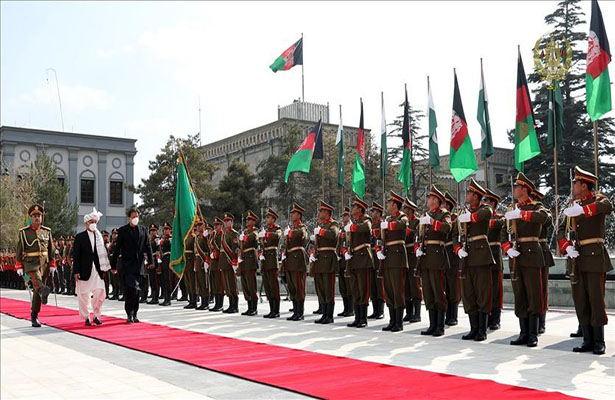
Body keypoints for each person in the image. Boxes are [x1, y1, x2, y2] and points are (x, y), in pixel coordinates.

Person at [558, 166, 612, 355]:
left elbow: (608, 207)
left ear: (584, 185)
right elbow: (560, 231)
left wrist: (583, 210)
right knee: (580, 299)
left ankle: (599, 340)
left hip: (594, 256)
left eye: (576, 183)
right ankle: (587, 340)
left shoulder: (598, 199)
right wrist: (566, 247)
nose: (573, 186)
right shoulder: (572, 204)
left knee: (596, 299)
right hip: (577, 257)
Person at [503, 172, 548, 347]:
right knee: (520, 294)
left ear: (524, 189)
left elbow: (545, 219)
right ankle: (523, 332)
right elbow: (502, 233)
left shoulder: (536, 207)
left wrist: (523, 215)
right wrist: (507, 248)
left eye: (516, 187)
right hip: (517, 255)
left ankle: (533, 333)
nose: (513, 190)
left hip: (532, 254)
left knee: (533, 294)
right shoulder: (511, 209)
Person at [453, 179, 495, 341]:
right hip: (467, 256)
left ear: (477, 196)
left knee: (482, 292)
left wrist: (469, 217)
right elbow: (455, 235)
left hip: (481, 255)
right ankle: (473, 328)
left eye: (470, 193)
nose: (467, 195)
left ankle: (482, 330)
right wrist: (458, 250)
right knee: (469, 293)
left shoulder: (484, 209)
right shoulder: (464, 212)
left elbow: (486, 214)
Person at [417, 186, 452, 337]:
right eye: (428, 198)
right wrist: (418, 247)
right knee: (428, 291)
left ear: (437, 200)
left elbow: (447, 228)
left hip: (437, 256)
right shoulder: (427, 215)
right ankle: (432, 324)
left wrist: (432, 222)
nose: (428, 200)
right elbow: (421, 235)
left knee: (438, 290)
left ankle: (440, 325)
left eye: (431, 198)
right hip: (425, 257)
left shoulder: (443, 214)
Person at [110, 207, 154, 323]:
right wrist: (113, 265)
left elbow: (148, 247)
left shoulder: (143, 230)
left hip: (139, 265)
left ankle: (135, 313)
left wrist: (151, 261)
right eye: (133, 216)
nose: (135, 218)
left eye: (137, 216)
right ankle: (129, 313)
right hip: (127, 265)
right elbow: (117, 248)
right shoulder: (123, 230)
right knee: (131, 289)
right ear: (129, 218)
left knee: (137, 291)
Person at [15, 204, 55, 327]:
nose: (37, 218)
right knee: (38, 282)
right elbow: (19, 249)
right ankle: (44, 291)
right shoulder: (24, 232)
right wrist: (19, 265)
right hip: (30, 264)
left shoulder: (47, 231)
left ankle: (34, 315)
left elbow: (51, 249)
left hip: (44, 264)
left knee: (38, 291)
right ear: (30, 218)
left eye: (39, 216)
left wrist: (53, 263)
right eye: (34, 216)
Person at [73, 208, 111, 326]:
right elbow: (76, 256)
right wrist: (76, 271)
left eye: (95, 222)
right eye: (91, 222)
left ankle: (96, 315)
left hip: (97, 270)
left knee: (99, 292)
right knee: (84, 295)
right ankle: (86, 317)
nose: (93, 224)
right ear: (86, 223)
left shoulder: (99, 237)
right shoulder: (80, 237)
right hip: (84, 270)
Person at [378, 191, 409, 332]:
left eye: (390, 203)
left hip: (397, 258)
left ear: (395, 205)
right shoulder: (387, 219)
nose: (387, 205)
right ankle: (392, 320)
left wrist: (388, 225)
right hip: (388, 257)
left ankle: (399, 321)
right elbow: (379, 237)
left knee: (397, 290)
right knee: (389, 290)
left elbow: (402, 225)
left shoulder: (403, 217)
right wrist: (378, 249)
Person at [344, 197, 374, 328]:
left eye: (354, 207)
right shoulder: (354, 222)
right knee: (355, 289)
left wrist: (353, 227)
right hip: (354, 258)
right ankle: (357, 317)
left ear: (360, 209)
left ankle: (363, 318)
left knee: (363, 289)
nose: (352, 209)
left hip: (363, 258)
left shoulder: (365, 220)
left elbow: (366, 227)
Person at [530, 189, 555, 334]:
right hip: (528, 252)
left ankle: (542, 321)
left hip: (541, 252)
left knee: (542, 288)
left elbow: (548, 220)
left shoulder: (543, 212)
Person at [311, 201, 340, 324]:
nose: (319, 213)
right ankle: (324, 313)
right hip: (320, 260)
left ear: (327, 213)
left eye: (321, 211)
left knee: (328, 289)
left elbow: (333, 234)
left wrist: (321, 232)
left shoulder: (332, 224)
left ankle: (329, 315)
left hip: (328, 259)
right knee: (322, 288)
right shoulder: (321, 225)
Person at [482, 188, 506, 331]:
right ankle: (486, 317)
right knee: (484, 289)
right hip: (481, 256)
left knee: (496, 289)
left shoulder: (499, 217)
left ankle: (495, 319)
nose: (483, 203)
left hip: (495, 256)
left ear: (492, 203)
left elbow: (500, 225)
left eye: (486, 201)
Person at [284, 203, 309, 321]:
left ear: (299, 215)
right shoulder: (292, 228)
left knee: (299, 286)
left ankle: (300, 312)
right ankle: (295, 310)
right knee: (292, 286)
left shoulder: (301, 227)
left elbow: (302, 235)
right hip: (290, 260)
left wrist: (291, 233)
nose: (292, 215)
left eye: (294, 213)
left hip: (298, 260)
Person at [259, 209, 282, 318]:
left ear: (273, 219)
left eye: (268, 217)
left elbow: (277, 236)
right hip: (265, 260)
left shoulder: (276, 229)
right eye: (266, 217)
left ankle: (276, 310)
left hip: (272, 260)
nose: (267, 219)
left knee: (274, 286)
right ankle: (271, 309)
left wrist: (266, 234)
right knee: (268, 286)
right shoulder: (266, 229)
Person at [402, 197, 422, 323]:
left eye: (406, 208)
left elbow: (418, 236)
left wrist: (409, 231)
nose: (404, 210)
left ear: (411, 210)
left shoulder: (417, 222)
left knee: (415, 284)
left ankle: (417, 313)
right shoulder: (404, 221)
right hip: (404, 255)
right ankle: (409, 312)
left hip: (413, 255)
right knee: (406, 285)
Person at [443, 192, 461, 327]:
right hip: (441, 254)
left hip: (451, 254)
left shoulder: (455, 219)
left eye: (442, 203)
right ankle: (446, 314)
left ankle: (453, 315)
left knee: (452, 286)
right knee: (443, 285)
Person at [239, 211, 260, 316]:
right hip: (244, 260)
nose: (247, 221)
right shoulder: (245, 232)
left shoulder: (254, 231)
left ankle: (254, 308)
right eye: (247, 220)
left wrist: (245, 237)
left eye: (249, 220)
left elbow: (254, 237)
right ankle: (249, 306)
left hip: (251, 260)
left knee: (251, 285)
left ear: (254, 222)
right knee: (245, 285)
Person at [368, 202, 386, 320]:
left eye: (374, 211)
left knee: (380, 285)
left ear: (379, 213)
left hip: (379, 257)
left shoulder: (381, 224)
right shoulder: (372, 225)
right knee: (372, 285)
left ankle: (380, 310)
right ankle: (374, 310)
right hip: (371, 257)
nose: (372, 213)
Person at [220, 213, 240, 313]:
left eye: (228, 221)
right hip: (224, 262)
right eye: (225, 221)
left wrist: (235, 261)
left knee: (232, 284)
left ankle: (235, 306)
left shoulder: (233, 234)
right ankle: (230, 304)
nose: (226, 223)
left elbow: (236, 248)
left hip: (230, 262)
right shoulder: (224, 234)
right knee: (227, 285)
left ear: (232, 222)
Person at [336, 207, 354, 317]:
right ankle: (345, 308)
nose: (343, 218)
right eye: (342, 216)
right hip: (341, 260)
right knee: (342, 286)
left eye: (345, 215)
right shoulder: (342, 229)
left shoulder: (350, 227)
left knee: (349, 286)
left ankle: (351, 309)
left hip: (348, 259)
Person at [208, 217, 225, 311]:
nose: (215, 227)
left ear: (221, 226)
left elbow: (221, 248)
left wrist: (215, 253)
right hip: (213, 263)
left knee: (219, 285)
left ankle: (220, 304)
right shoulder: (213, 235)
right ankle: (216, 303)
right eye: (214, 225)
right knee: (214, 284)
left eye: (217, 225)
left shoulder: (222, 235)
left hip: (219, 262)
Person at [158, 222, 173, 306]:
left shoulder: (171, 239)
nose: (165, 230)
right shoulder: (163, 239)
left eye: (167, 229)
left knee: (168, 280)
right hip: (163, 260)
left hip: (169, 260)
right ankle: (166, 298)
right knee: (164, 280)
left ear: (170, 230)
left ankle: (168, 299)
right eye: (164, 229)